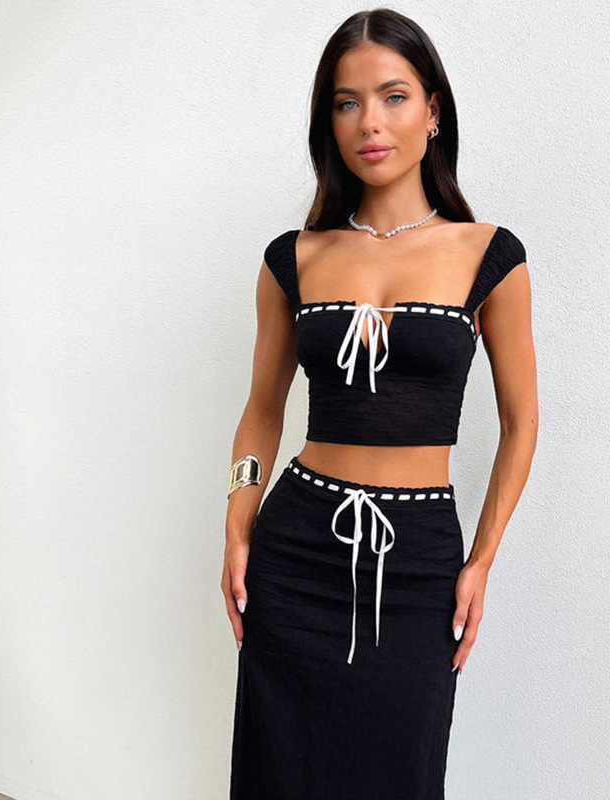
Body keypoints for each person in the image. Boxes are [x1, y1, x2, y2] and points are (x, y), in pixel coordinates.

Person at [222, 8, 538, 799]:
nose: (370, 122)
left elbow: (521, 422)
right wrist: (237, 521)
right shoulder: (293, 258)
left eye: (393, 96)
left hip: (420, 559)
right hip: (296, 550)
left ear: (433, 110)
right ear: (327, 122)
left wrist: (482, 559)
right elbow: (262, 410)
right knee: (281, 770)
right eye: (346, 102)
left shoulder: (490, 256)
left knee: (401, 771)